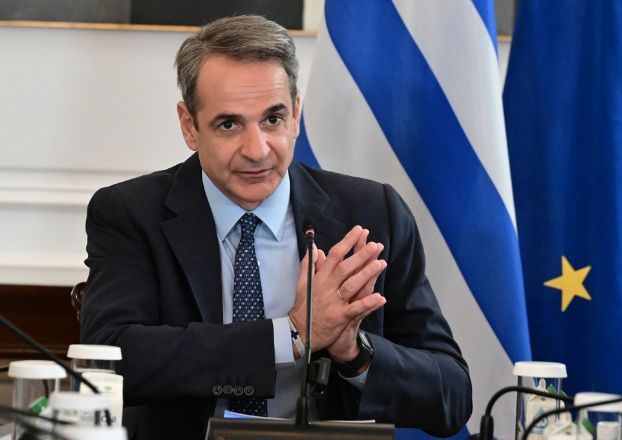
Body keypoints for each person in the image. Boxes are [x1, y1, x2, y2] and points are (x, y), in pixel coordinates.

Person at [80, 15, 471, 439]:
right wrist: (293, 334)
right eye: (229, 124)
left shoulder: (372, 213)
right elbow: (109, 359)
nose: (257, 149)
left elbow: (451, 396)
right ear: (190, 126)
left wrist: (354, 352)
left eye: (273, 119)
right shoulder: (132, 213)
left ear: (296, 114)